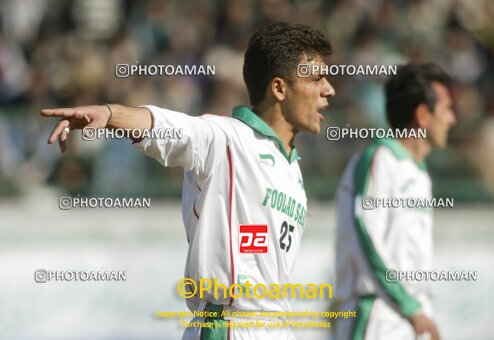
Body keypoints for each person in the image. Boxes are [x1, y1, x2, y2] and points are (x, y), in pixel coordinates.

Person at [41, 22, 335, 340]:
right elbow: (168, 126)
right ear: (279, 88)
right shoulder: (227, 138)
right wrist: (111, 114)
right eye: (317, 78)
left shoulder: (292, 168)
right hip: (229, 326)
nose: (329, 89)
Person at [333, 63, 456, 340]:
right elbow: (365, 236)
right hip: (377, 315)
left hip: (411, 317)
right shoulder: (380, 159)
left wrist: (418, 311)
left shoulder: (418, 172)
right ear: (423, 115)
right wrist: (408, 306)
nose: (452, 120)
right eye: (448, 109)